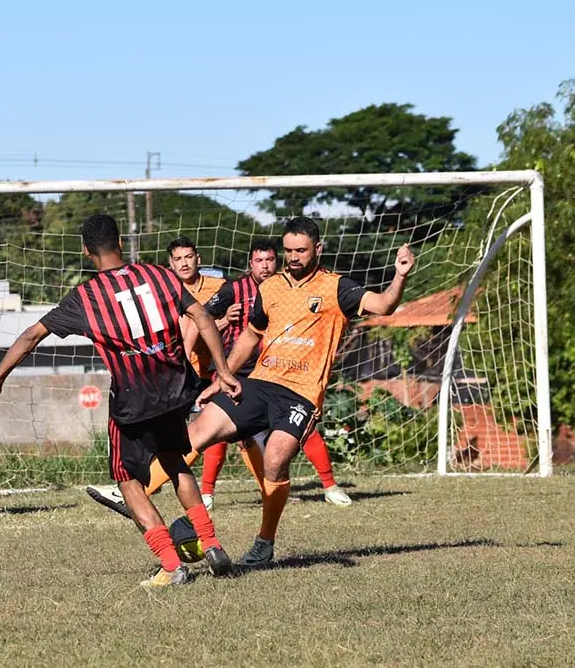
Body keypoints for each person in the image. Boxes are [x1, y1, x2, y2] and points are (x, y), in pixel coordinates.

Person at [0, 214, 242, 587]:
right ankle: (210, 543)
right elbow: (202, 316)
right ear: (120, 242)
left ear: (86, 251)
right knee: (175, 462)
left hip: (134, 398)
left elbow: (32, 335)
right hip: (176, 389)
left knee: (127, 479)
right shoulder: (160, 275)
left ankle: (171, 564)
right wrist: (223, 371)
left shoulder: (85, 296)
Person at [159, 217, 415, 569]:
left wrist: (400, 275)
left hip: (301, 394)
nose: (293, 257)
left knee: (276, 460)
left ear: (318, 249)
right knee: (199, 431)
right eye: (289, 250)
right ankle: (136, 493)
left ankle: (265, 543)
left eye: (301, 250)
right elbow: (250, 335)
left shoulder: (337, 287)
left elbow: (384, 305)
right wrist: (223, 376)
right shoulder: (271, 288)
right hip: (260, 382)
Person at [198, 239, 353, 508]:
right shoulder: (234, 289)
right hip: (237, 369)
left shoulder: (288, 288)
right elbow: (200, 317)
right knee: (216, 432)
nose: (265, 266)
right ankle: (206, 493)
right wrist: (224, 321)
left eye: (270, 260)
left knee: (300, 428)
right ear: (250, 264)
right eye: (259, 261)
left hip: (275, 372)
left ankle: (329, 485)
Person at [83, 236, 229, 514]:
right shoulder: (160, 287)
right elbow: (193, 328)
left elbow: (210, 322)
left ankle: (137, 489)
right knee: (189, 442)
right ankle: (191, 495)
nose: (184, 263)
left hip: (201, 374)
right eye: (178, 259)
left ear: (198, 258)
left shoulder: (218, 288)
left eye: (189, 257)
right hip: (179, 377)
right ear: (170, 264)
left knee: (200, 439)